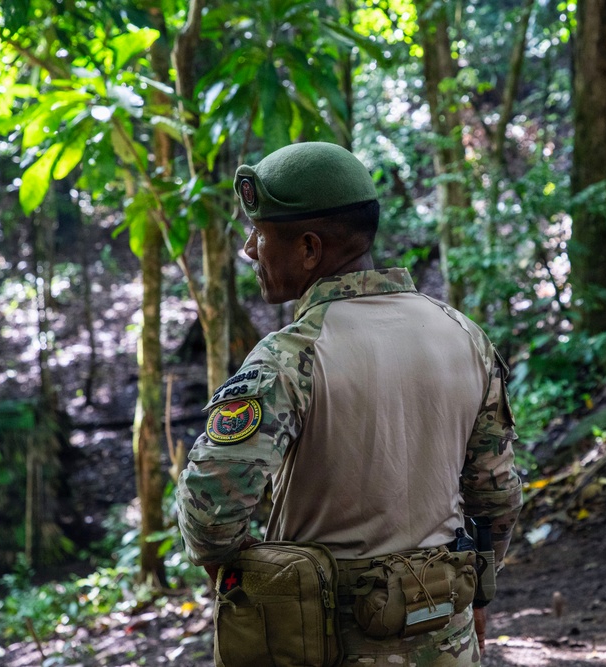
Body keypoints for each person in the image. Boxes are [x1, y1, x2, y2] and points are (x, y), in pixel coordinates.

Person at [176, 141, 522, 666]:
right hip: (443, 641)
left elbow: (210, 515)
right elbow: (496, 496)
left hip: (322, 646)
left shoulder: (290, 358)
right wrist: (476, 593)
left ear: (309, 249)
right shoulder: (463, 336)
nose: (250, 248)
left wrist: (256, 584)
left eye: (261, 234)